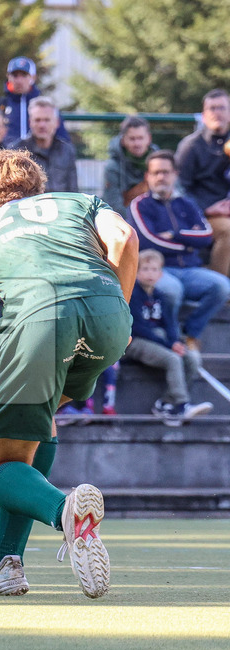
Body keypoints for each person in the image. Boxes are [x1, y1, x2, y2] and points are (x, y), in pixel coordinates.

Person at [0, 149, 138, 599]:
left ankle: (64, 512)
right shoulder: (80, 203)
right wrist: (120, 312)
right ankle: (2, 564)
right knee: (37, 420)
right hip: (109, 321)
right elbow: (125, 239)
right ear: (38, 189)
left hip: (41, 325)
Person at [129, 150, 230, 350]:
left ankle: (190, 334)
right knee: (171, 289)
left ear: (175, 174)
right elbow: (149, 241)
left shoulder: (187, 203)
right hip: (160, 270)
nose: (160, 177)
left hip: (191, 270)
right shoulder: (139, 205)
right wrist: (188, 242)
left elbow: (206, 235)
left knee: (222, 287)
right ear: (147, 176)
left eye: (165, 172)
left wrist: (174, 234)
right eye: (155, 172)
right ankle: (171, 337)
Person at [124, 250, 214, 426]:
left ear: (161, 273)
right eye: (145, 269)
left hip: (158, 341)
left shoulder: (161, 296)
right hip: (134, 342)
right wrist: (168, 345)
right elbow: (138, 328)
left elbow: (170, 324)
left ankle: (167, 404)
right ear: (136, 271)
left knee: (192, 359)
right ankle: (181, 404)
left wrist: (175, 342)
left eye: (154, 269)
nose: (150, 273)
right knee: (173, 359)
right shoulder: (131, 295)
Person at [175, 89, 230, 278]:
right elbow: (179, 188)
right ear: (204, 115)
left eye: (222, 107)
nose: (217, 112)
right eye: (212, 108)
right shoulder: (191, 146)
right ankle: (220, 290)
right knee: (228, 231)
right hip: (202, 214)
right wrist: (208, 208)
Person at [0, 56, 68, 147]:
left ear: (33, 77)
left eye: (24, 75)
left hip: (39, 159)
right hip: (6, 159)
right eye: (15, 75)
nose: (19, 80)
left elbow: (63, 139)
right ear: (8, 77)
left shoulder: (46, 108)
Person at [11, 96, 78, 193]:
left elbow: (73, 190)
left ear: (57, 123)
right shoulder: (16, 151)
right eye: (37, 120)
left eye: (47, 120)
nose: (42, 125)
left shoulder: (67, 150)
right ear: (30, 122)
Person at [101, 116, 158, 219]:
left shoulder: (159, 164)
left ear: (149, 138)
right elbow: (113, 204)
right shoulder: (112, 167)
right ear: (123, 140)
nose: (137, 143)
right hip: (126, 222)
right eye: (132, 139)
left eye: (140, 138)